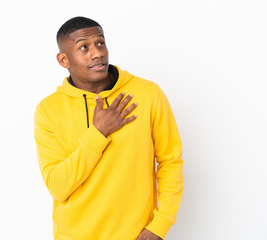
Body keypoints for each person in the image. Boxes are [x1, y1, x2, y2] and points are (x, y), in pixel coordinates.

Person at [34, 16, 183, 240]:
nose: (97, 53)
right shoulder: (48, 110)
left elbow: (170, 161)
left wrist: (160, 224)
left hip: (135, 235)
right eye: (84, 47)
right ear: (64, 60)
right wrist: (98, 132)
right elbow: (58, 186)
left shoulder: (148, 94)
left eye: (100, 43)